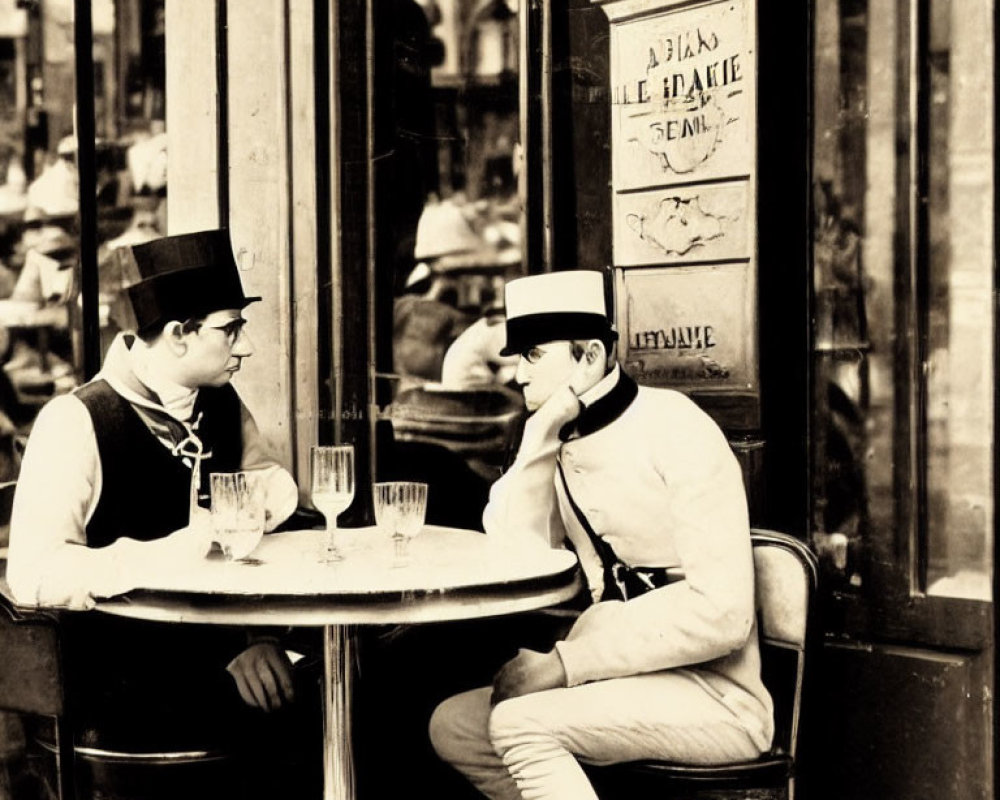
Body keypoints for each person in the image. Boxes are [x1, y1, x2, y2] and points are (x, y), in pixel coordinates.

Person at [428, 270, 773, 799]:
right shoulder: (556, 434)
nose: (517, 375)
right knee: (454, 726)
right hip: (621, 683)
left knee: (519, 725)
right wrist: (539, 439)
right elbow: (512, 554)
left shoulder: (676, 426)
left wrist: (568, 664)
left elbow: (724, 614)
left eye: (533, 357)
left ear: (588, 355)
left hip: (716, 692)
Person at [5, 230, 317, 781]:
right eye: (230, 330)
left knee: (352, 690)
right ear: (177, 334)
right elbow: (34, 574)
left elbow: (270, 486)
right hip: (117, 685)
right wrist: (170, 556)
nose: (243, 346)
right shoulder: (75, 421)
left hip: (220, 658)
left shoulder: (219, 404)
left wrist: (255, 636)